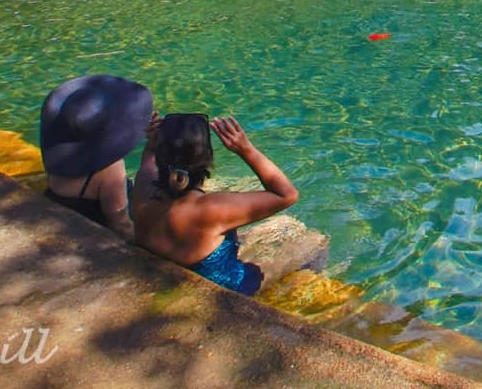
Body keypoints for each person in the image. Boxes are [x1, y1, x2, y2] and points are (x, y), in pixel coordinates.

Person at [132, 113, 299, 295]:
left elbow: (149, 161)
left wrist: (151, 143)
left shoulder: (143, 188)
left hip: (169, 270)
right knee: (310, 242)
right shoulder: (212, 209)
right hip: (227, 289)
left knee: (260, 231)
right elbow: (287, 194)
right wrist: (245, 149)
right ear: (207, 157)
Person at [39, 74, 154, 239]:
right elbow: (120, 224)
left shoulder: (58, 148)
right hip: (89, 233)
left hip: (61, 211)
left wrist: (150, 145)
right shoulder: (110, 168)